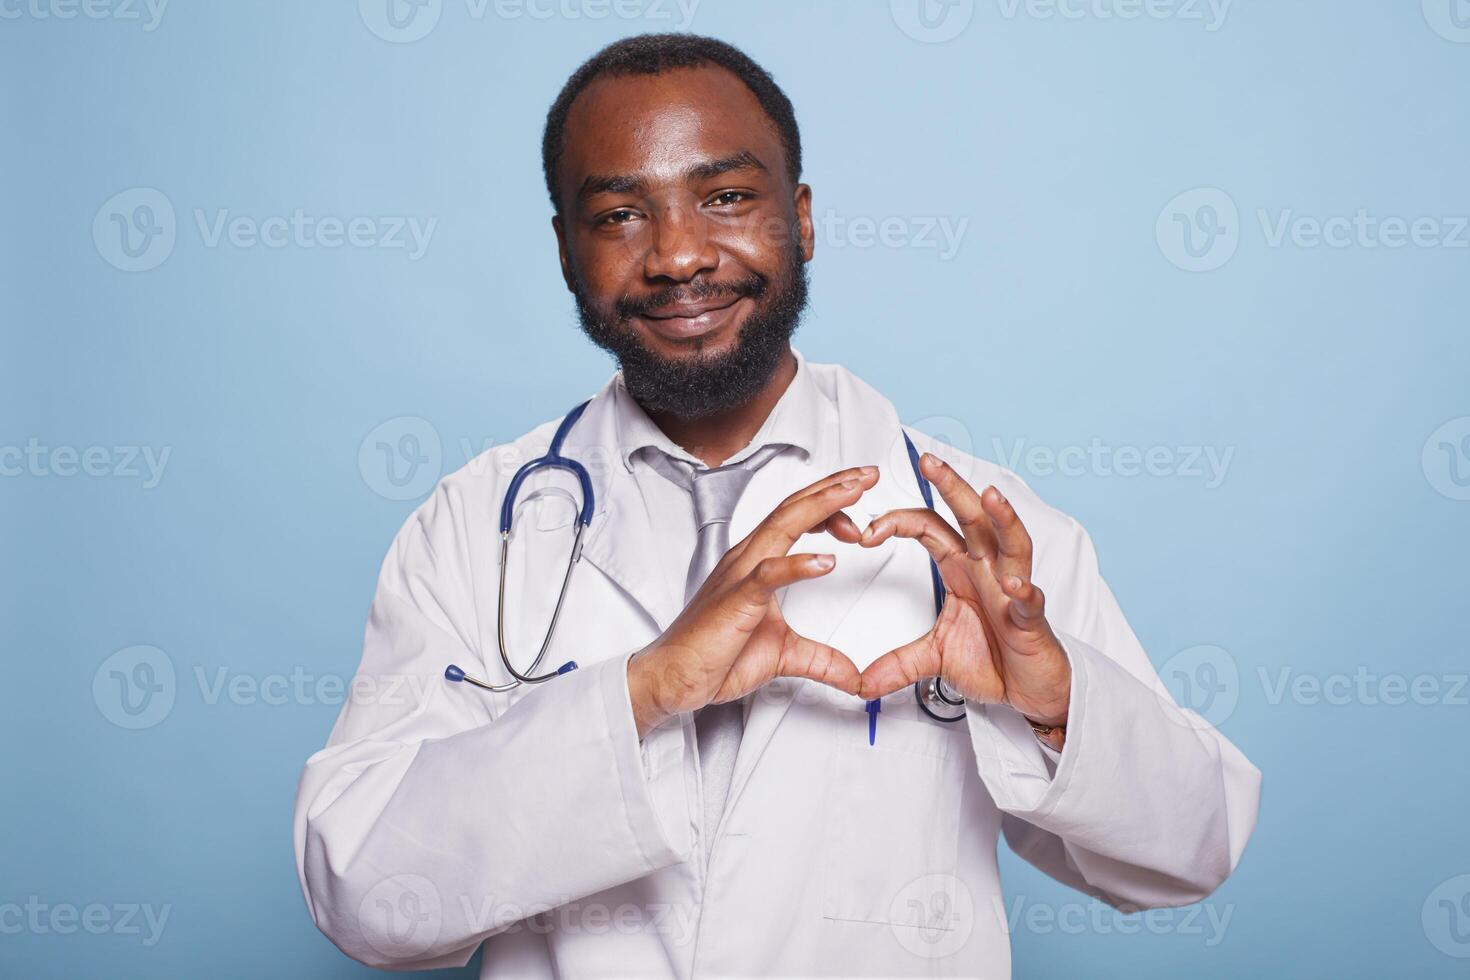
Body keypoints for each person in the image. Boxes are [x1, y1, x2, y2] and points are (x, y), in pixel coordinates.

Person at [292, 32, 1260, 979]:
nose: (677, 255)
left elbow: (1191, 848)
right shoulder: (476, 527)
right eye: (621, 214)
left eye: (724, 197)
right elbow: (367, 891)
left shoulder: (978, 533)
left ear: (800, 217)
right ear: (563, 248)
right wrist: (647, 690)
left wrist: (1054, 703)